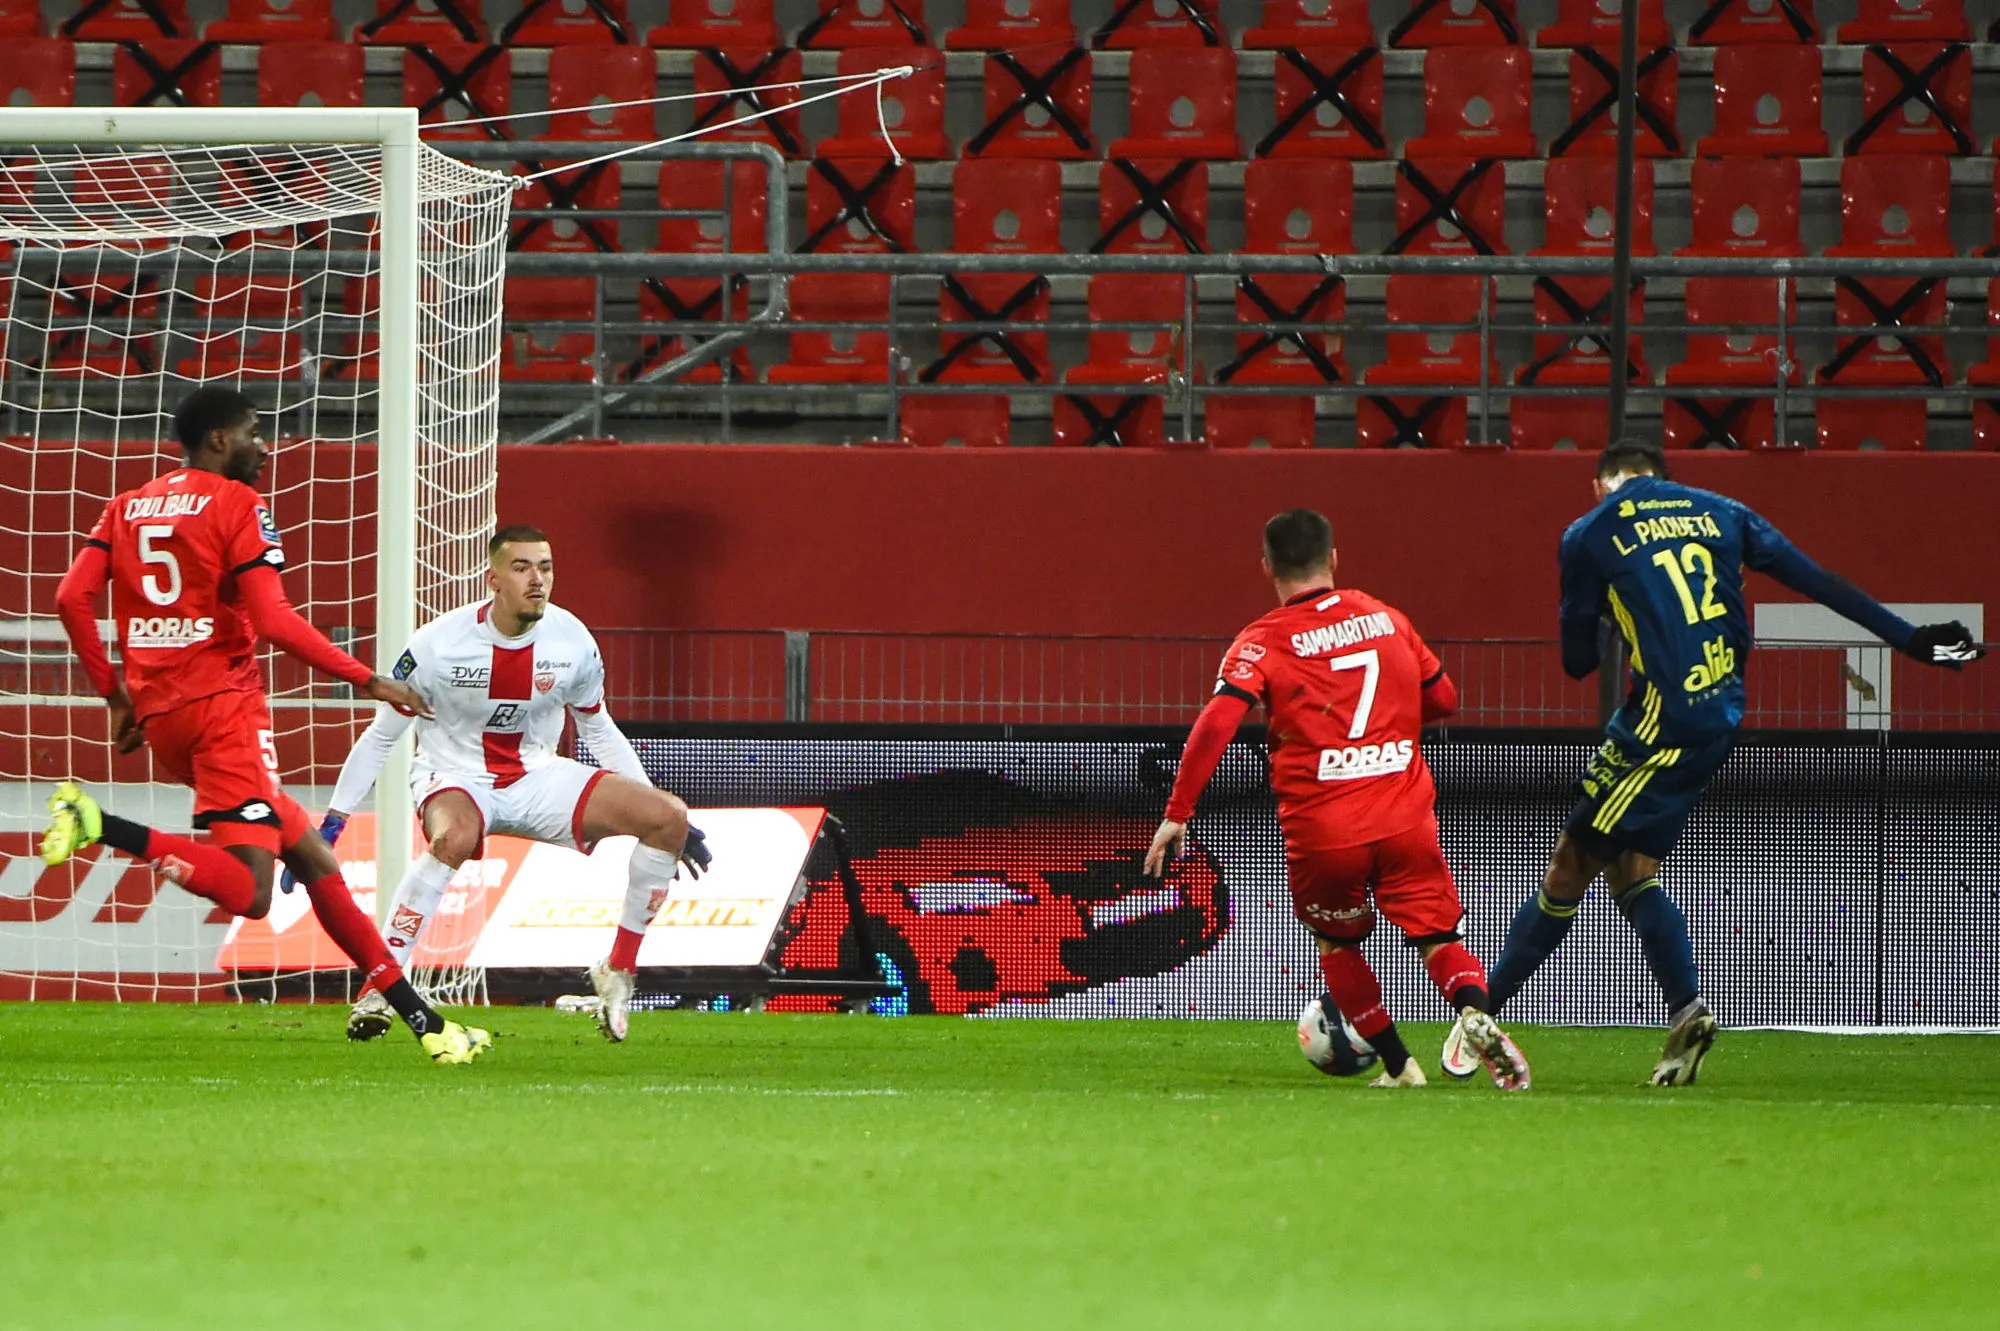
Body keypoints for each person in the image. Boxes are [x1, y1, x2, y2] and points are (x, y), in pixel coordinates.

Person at [1485, 438, 1983, 1086]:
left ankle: (1478, 1011)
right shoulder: (1721, 510)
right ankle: (1687, 1008)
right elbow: (1816, 579)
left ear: (1600, 484)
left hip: (1659, 722)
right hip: (1721, 714)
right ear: (1666, 480)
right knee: (1632, 869)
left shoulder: (1590, 532)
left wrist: (1608, 608)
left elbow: (1577, 661)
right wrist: (1910, 639)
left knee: (1569, 864)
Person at [42, 385, 489, 1064]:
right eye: (254, 433)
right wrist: (367, 679)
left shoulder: (127, 505)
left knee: (313, 859)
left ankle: (427, 1023)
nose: (265, 447)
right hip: (225, 710)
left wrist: (115, 694)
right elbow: (275, 620)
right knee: (251, 890)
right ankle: (100, 823)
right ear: (220, 440)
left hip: (164, 717)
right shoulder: (238, 504)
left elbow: (70, 596)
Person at [1144, 509, 1531, 1091]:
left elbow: (1218, 721)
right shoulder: (1385, 617)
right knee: (1438, 939)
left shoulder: (1261, 640)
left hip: (1326, 828)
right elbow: (1445, 698)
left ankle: (1401, 1067)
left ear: (1267, 566)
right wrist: (1387, 723)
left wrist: (1178, 813)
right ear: (1334, 558)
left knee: (1338, 942)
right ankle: (1473, 1010)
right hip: (1404, 816)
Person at [318, 525, 710, 1045]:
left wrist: (659, 808)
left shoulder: (572, 641)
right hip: (455, 776)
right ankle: (380, 986)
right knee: (452, 838)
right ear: (493, 579)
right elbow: (382, 735)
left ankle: (617, 970)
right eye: (522, 568)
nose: (537, 579)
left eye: (545, 567)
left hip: (538, 776)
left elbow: (597, 727)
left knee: (668, 817)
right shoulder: (437, 644)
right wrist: (336, 818)